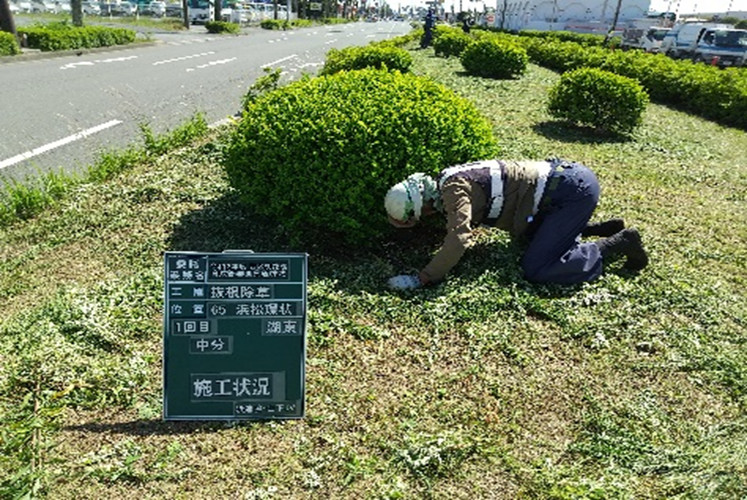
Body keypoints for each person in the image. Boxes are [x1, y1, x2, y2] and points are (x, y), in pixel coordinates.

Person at [384, 158, 649, 290]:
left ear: (423, 204)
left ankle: (617, 242)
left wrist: (424, 277)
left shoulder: (453, 191)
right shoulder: (450, 177)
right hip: (562, 182)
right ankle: (595, 227)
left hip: (569, 192)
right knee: (530, 242)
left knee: (538, 267)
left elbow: (459, 238)